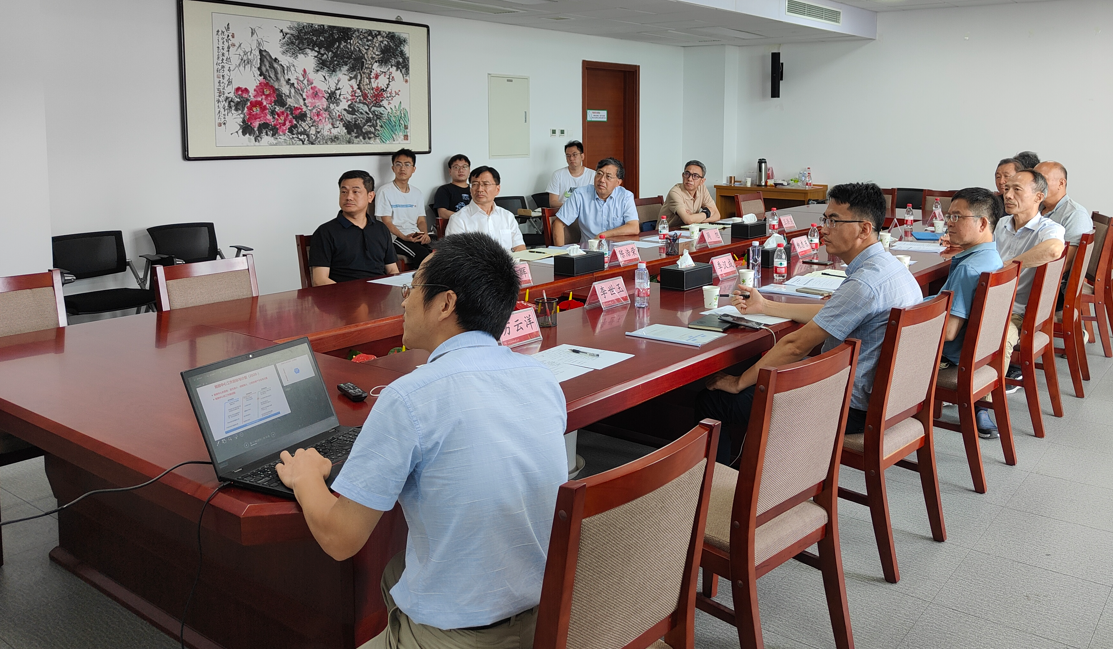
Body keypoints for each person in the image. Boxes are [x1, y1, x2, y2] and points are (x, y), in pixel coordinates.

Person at [276, 233, 568, 649]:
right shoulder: (541, 377)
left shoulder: (410, 397)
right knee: (398, 570)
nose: (404, 301)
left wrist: (306, 476)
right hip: (551, 620)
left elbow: (340, 539)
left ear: (445, 304)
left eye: (412, 288)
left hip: (458, 637)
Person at [696, 183, 922, 464]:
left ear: (864, 229)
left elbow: (795, 346)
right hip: (889, 400)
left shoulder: (864, 284)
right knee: (755, 373)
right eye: (825, 219)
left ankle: (728, 483)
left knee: (714, 400)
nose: (824, 228)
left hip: (847, 407)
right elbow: (832, 312)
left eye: (834, 221)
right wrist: (765, 306)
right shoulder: (891, 268)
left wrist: (738, 382)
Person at [931, 188, 1005, 438]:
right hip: (979, 355)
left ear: (982, 223)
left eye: (956, 217)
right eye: (948, 216)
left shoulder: (968, 269)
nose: (948, 223)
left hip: (949, 358)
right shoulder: (993, 258)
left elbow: (949, 332)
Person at [995, 169, 1066, 383]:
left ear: (1038, 197)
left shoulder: (1049, 229)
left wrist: (1008, 267)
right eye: (1007, 189)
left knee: (997, 336)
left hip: (1015, 311)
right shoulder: (1002, 224)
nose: (1008, 195)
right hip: (991, 301)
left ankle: (985, 398)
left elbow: (1053, 250)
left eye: (1017, 190)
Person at [308, 170, 399, 286]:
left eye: (355, 192)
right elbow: (320, 280)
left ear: (370, 196)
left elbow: (392, 270)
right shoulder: (325, 232)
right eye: (344, 192)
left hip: (380, 294)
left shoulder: (381, 229)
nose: (348, 197)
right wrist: (352, 296)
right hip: (344, 295)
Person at [1034, 161, 1092, 294]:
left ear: (1061, 183)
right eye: (1034, 180)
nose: (1036, 185)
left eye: (1042, 179)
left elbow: (1066, 263)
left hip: (1052, 287)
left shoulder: (1075, 214)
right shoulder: (1037, 208)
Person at [553, 157, 639, 246]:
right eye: (599, 174)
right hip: (589, 250)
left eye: (608, 177)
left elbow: (634, 227)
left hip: (617, 250)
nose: (602, 180)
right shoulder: (580, 195)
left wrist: (604, 235)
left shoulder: (625, 196)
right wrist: (560, 252)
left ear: (618, 182)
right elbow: (558, 224)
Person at [445, 166, 526, 252]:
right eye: (475, 184)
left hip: (508, 260)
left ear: (497, 189)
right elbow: (454, 254)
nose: (480, 189)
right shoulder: (458, 219)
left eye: (486, 184)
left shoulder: (507, 216)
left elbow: (519, 247)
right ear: (470, 189)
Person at [376, 148, 432, 265]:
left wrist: (425, 234)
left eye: (407, 164)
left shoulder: (417, 193)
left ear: (413, 169)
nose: (402, 168)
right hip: (394, 238)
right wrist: (404, 237)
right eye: (398, 164)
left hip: (414, 235)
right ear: (393, 168)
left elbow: (421, 220)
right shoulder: (385, 191)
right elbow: (386, 222)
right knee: (423, 256)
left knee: (438, 254)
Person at [660, 160, 720, 228]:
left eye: (695, 176)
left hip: (689, 230)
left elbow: (717, 215)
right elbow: (688, 220)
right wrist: (707, 213)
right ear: (682, 176)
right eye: (687, 174)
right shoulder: (675, 192)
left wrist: (695, 218)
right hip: (668, 232)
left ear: (702, 181)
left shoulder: (702, 188)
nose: (690, 179)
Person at [546, 140, 596, 209]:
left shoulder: (593, 175)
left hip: (585, 211)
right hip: (564, 211)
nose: (571, 158)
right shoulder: (557, 175)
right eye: (568, 155)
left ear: (582, 156)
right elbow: (553, 202)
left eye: (574, 155)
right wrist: (571, 206)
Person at [433, 154, 472, 221]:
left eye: (465, 167)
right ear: (450, 171)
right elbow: (442, 213)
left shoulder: (475, 190)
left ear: (469, 170)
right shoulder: (444, 190)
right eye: (456, 167)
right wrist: (465, 218)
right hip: (455, 224)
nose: (461, 170)